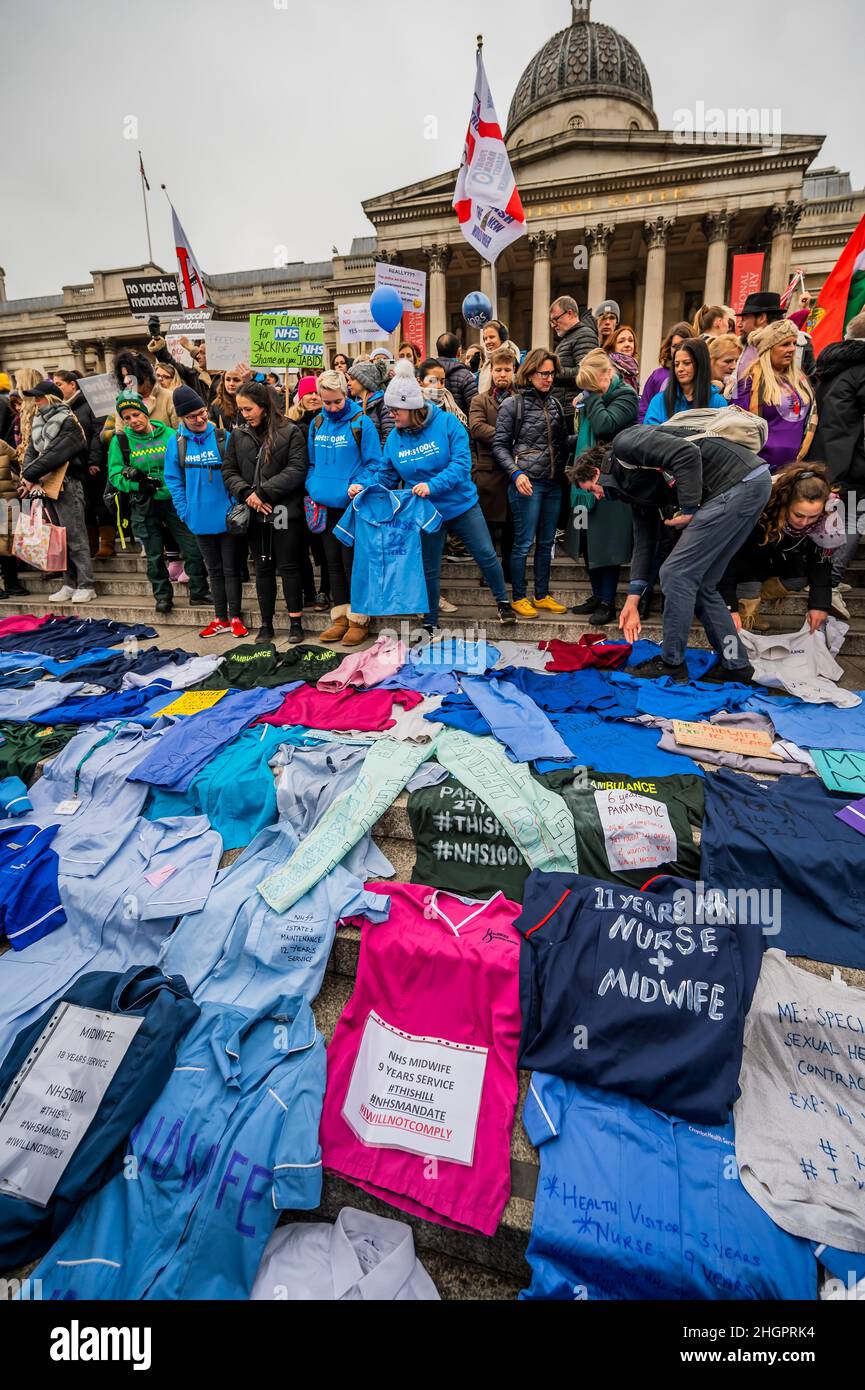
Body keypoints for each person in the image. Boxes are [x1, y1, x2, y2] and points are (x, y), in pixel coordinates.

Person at [574, 423, 772, 682]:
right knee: (703, 585)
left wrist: (689, 509)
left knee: (675, 573)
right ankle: (736, 665)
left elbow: (686, 454)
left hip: (735, 483)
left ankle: (671, 663)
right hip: (751, 483)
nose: (597, 497)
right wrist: (632, 600)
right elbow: (644, 543)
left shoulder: (626, 442)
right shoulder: (634, 493)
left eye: (591, 489)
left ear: (597, 472)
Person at [380, 360, 515, 631]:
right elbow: (386, 474)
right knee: (429, 568)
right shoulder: (395, 438)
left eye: (395, 410)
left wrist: (432, 485)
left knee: (486, 555)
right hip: (427, 511)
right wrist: (364, 486)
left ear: (411, 406)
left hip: (461, 504)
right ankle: (430, 621)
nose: (391, 415)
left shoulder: (448, 423)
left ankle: (503, 603)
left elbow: (461, 466)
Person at [106, 391, 210, 616]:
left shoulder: (170, 434)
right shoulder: (121, 441)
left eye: (136, 414)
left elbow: (184, 464)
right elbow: (114, 474)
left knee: (192, 546)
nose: (133, 421)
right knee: (154, 554)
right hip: (144, 503)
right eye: (127, 418)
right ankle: (162, 597)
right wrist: (136, 485)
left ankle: (199, 591)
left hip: (173, 500)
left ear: (145, 412)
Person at [222, 381, 309, 644]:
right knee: (262, 567)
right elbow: (229, 470)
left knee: (289, 565)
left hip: (283, 510)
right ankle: (266, 624)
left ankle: (295, 622)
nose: (244, 414)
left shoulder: (290, 431)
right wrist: (248, 495)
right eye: (241, 409)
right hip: (254, 511)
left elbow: (296, 469)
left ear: (263, 406)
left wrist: (264, 493)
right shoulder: (238, 435)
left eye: (248, 408)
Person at [305, 368, 382, 647]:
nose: (332, 407)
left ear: (346, 394)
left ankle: (359, 619)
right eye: (327, 402)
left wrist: (359, 484)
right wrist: (313, 486)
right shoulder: (316, 424)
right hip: (324, 505)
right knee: (332, 563)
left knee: (353, 564)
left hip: (352, 506)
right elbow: (312, 463)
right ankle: (339, 616)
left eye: (337, 401)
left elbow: (375, 464)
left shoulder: (361, 423)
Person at [163, 386, 248, 640]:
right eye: (192, 416)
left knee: (231, 569)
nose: (199, 419)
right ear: (182, 419)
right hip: (198, 518)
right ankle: (219, 617)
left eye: (202, 413)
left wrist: (234, 506)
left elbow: (237, 473)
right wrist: (185, 512)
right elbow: (173, 480)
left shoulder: (223, 436)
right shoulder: (176, 443)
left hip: (227, 516)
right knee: (214, 570)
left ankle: (235, 617)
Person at [492, 348, 569, 619]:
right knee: (523, 543)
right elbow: (499, 446)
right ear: (530, 372)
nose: (548, 378)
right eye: (543, 373)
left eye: (551, 373)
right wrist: (516, 473)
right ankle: (519, 597)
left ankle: (542, 594)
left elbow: (561, 443)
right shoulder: (513, 404)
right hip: (526, 483)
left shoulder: (557, 405)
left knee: (547, 542)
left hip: (553, 483)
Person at [565, 349, 639, 626]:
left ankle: (608, 600)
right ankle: (596, 595)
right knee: (587, 540)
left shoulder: (626, 396)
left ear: (608, 373)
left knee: (605, 543)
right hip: (586, 480)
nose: (590, 391)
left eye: (593, 385)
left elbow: (605, 425)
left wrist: (592, 398)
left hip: (611, 481)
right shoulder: (593, 398)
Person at [718, 463, 837, 633]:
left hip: (779, 559)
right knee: (749, 582)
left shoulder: (825, 519)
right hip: (744, 560)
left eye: (813, 517)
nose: (804, 523)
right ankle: (745, 606)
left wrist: (820, 605)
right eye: (799, 515)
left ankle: (755, 598)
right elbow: (729, 557)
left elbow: (821, 562)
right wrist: (730, 606)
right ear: (786, 503)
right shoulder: (759, 506)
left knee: (798, 578)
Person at [20, 380, 96, 603]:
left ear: (51, 398)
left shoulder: (69, 422)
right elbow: (31, 451)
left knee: (75, 535)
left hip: (68, 483)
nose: (36, 401)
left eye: (39, 396)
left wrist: (28, 475)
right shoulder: (38, 422)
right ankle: (69, 583)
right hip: (45, 485)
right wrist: (29, 475)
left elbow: (55, 454)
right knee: (59, 538)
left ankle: (86, 584)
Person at [810, 309, 865, 607]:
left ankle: (819, 576)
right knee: (857, 515)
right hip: (852, 458)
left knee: (827, 515)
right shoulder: (862, 369)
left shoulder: (831, 365)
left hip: (822, 453)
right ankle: (830, 581)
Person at [730, 320, 815, 472]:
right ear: (768, 349)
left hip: (796, 466)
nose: (792, 349)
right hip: (760, 468)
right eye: (785, 344)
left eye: (794, 343)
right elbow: (739, 429)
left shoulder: (801, 381)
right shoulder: (749, 382)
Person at [52, 369, 114, 559]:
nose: (56, 388)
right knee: (84, 506)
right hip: (74, 465)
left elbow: (98, 433)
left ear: (73, 385)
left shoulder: (90, 404)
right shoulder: (61, 407)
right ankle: (92, 544)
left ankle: (107, 544)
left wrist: (94, 460)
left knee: (99, 503)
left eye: (59, 384)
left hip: (93, 463)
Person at [468, 348, 518, 582]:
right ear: (491, 371)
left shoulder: (521, 398)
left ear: (514, 372)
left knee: (511, 528)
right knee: (486, 528)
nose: (502, 374)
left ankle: (508, 569)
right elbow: (477, 428)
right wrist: (507, 435)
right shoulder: (480, 400)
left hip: (514, 472)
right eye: (498, 369)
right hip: (488, 473)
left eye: (507, 370)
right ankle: (488, 572)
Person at [287, 375, 329, 611]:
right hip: (297, 493)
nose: (313, 397)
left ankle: (325, 590)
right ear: (299, 397)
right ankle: (309, 591)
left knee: (323, 547)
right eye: (308, 393)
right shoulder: (291, 424)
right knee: (301, 545)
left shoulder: (328, 421)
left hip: (320, 492)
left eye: (316, 393)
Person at [643, 338, 726, 423]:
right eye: (676, 364)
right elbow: (649, 433)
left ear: (700, 364)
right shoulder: (659, 400)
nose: (679, 369)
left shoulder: (718, 403)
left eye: (686, 363)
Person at [738, 291, 816, 380]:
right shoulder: (741, 345)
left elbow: (812, 381)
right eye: (785, 344)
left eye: (744, 319)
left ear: (761, 318)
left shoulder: (801, 343)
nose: (740, 324)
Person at [549, 295, 599, 424]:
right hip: (566, 409)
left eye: (555, 319)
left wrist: (552, 372)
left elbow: (586, 374)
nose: (553, 325)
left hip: (574, 411)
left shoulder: (584, 335)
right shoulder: (569, 338)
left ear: (570, 313)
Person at [638, 321, 695, 422]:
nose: (679, 349)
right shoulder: (657, 376)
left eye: (683, 344)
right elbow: (643, 410)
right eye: (674, 346)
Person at [346, 359, 394, 445]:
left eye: (352, 379)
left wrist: (376, 456)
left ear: (365, 381)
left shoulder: (383, 404)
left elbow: (389, 436)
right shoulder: (354, 406)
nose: (348, 383)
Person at [435, 332, 478, 416]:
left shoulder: (428, 372)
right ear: (459, 352)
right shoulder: (465, 375)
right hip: (459, 426)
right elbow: (474, 407)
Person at [418, 359, 468, 426]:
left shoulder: (450, 405)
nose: (439, 386)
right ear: (419, 381)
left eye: (442, 381)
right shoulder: (412, 410)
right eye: (432, 381)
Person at [478, 320, 521, 393]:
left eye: (491, 337)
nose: (487, 341)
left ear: (502, 337)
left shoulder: (514, 358)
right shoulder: (486, 360)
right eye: (485, 338)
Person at [600, 324, 640, 393]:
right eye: (621, 341)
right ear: (612, 346)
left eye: (630, 340)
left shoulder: (632, 371)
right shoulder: (607, 370)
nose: (627, 344)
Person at [209, 366, 246, 431]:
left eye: (236, 380)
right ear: (223, 381)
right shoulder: (216, 406)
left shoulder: (252, 403)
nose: (231, 384)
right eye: (228, 379)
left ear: (245, 382)